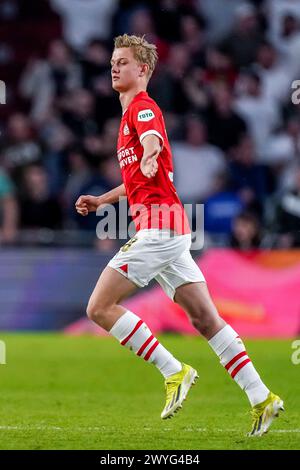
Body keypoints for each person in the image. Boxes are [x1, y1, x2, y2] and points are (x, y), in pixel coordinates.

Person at [75, 34, 283, 436]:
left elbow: (151, 140)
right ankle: (262, 397)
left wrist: (152, 153)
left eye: (123, 62)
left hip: (159, 228)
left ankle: (174, 371)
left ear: (144, 70)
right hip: (170, 230)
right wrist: (104, 200)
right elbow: (136, 176)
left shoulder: (143, 107)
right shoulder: (127, 118)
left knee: (99, 307)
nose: (114, 67)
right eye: (112, 62)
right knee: (206, 319)